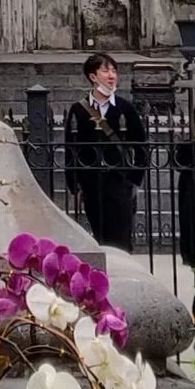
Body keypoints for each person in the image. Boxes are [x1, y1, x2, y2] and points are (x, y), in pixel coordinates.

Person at [64, 48, 146, 252]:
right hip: (91, 181)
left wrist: (135, 178)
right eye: (106, 71)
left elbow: (141, 144)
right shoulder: (79, 109)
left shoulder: (125, 108)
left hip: (119, 179)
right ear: (93, 76)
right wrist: (74, 184)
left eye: (114, 71)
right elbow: (70, 149)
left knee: (120, 238)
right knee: (100, 237)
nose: (112, 76)